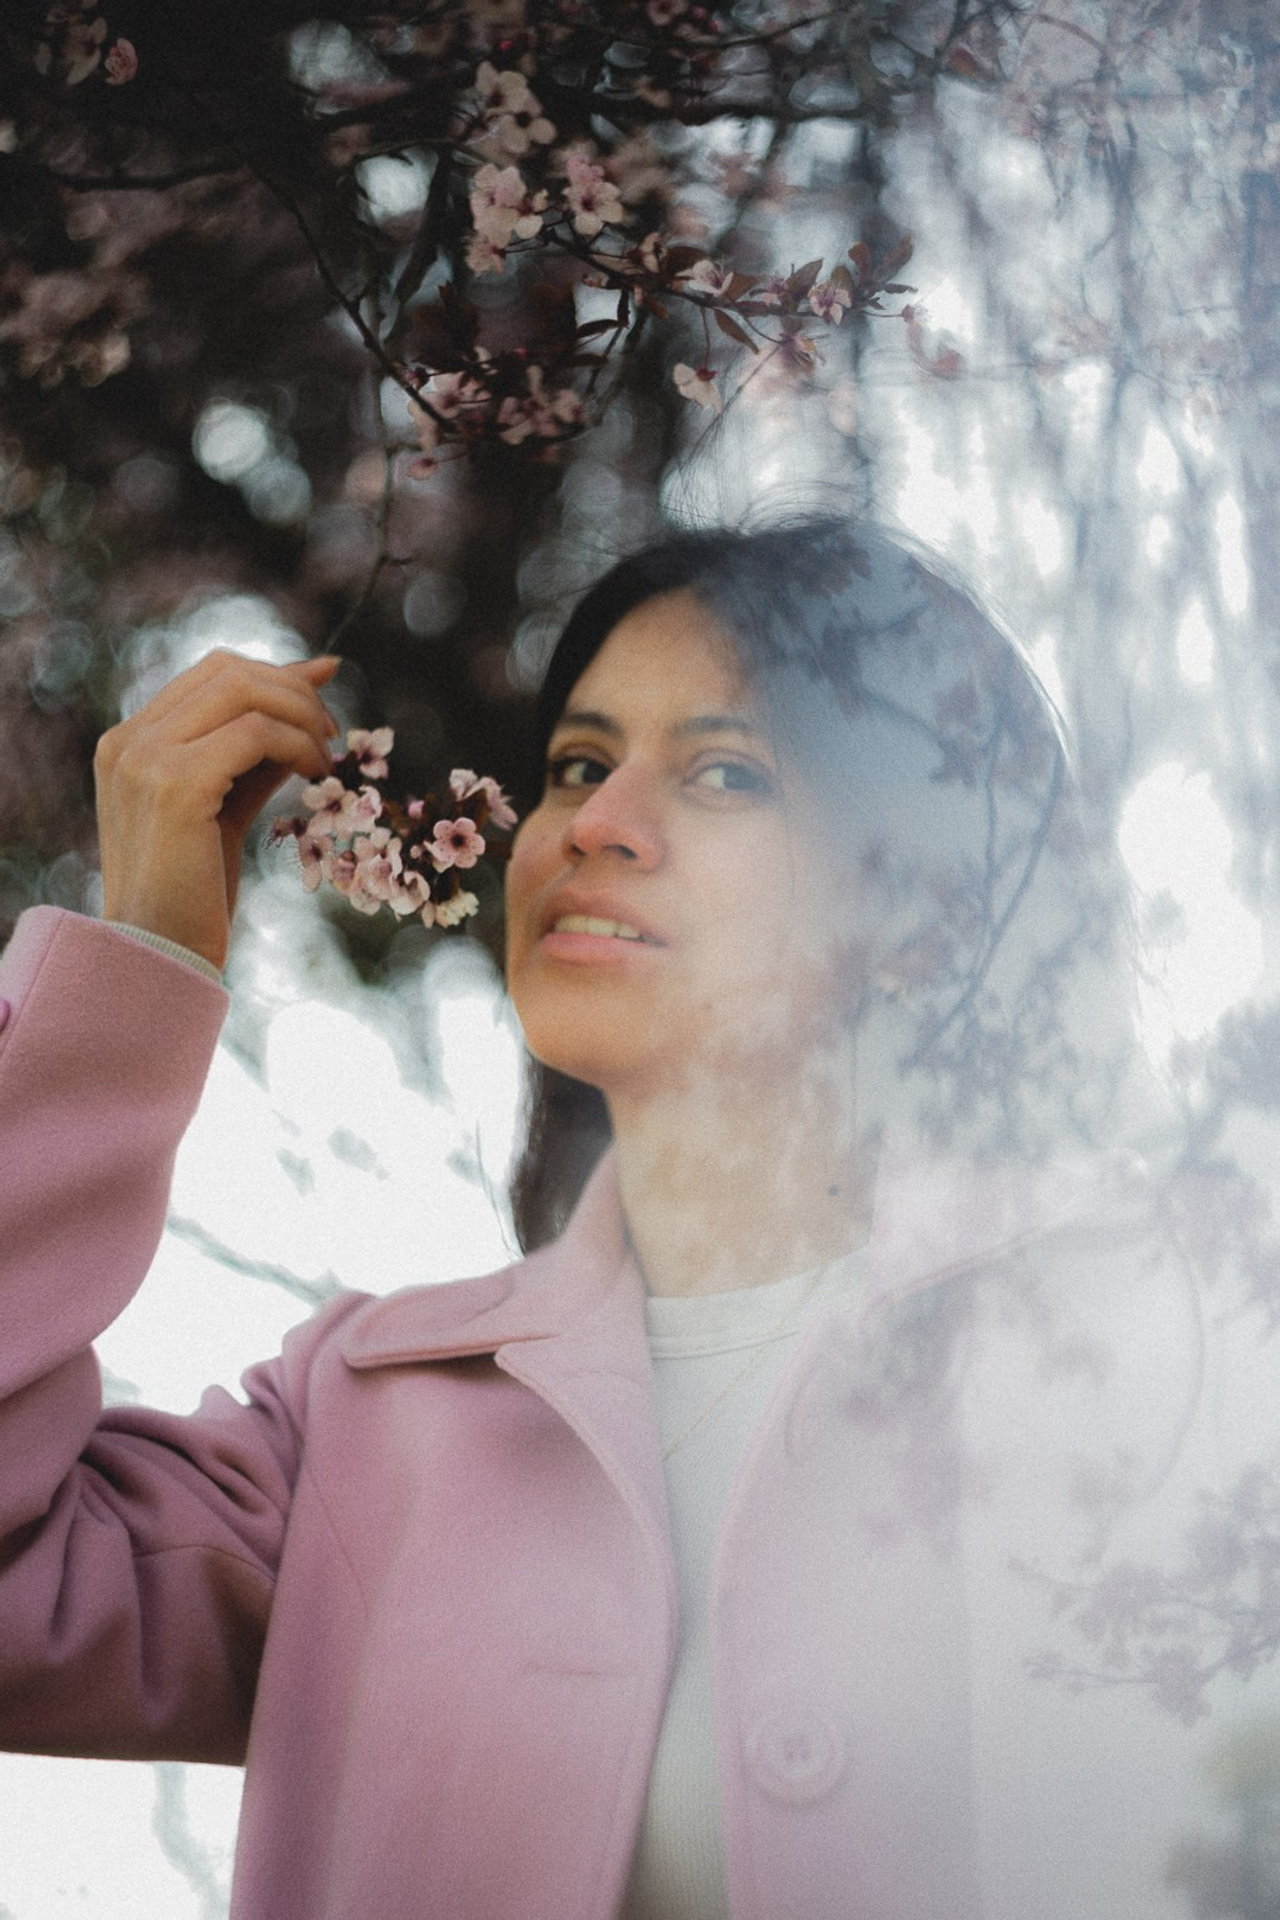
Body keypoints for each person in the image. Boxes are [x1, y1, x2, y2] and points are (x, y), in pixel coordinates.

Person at [0, 518, 1272, 1920]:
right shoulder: (360, 1423)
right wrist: (138, 964)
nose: (594, 823)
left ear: (924, 913)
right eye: (578, 765)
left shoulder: (1191, 1340)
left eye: (726, 772)